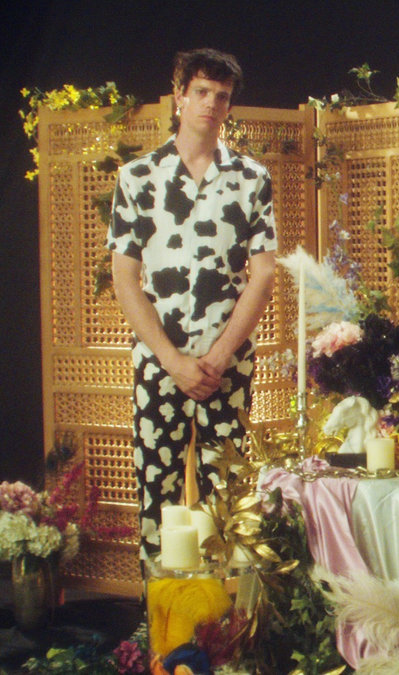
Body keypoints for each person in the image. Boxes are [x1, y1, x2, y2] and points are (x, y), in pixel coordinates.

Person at [108, 49, 276, 562]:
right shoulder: (138, 177)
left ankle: (222, 607)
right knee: (156, 492)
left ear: (230, 106)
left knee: (226, 498)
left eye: (221, 96)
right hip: (160, 363)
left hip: (226, 364)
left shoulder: (251, 178)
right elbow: (124, 278)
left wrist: (219, 357)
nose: (211, 103)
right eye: (201, 91)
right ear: (179, 95)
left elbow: (264, 275)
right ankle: (158, 606)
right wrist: (172, 359)